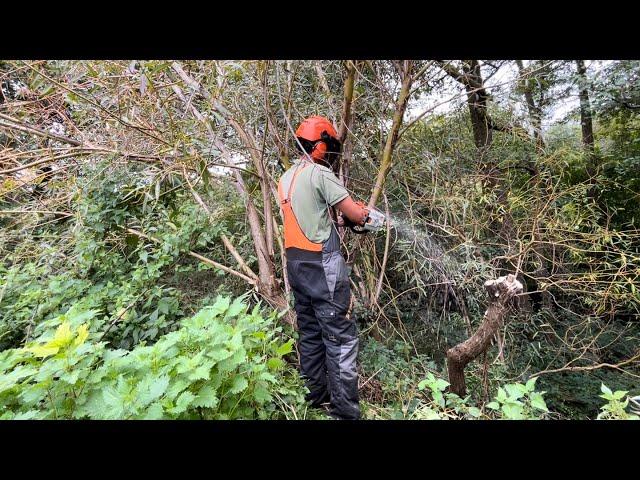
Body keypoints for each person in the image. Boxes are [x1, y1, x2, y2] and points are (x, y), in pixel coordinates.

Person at [278, 115, 370, 420]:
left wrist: (339, 220)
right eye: (328, 147)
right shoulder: (320, 174)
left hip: (296, 266)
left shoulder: (287, 177)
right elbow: (356, 214)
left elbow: (312, 216)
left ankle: (313, 396)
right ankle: (344, 412)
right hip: (322, 266)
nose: (330, 153)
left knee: (310, 331)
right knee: (340, 336)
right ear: (319, 146)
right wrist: (363, 215)